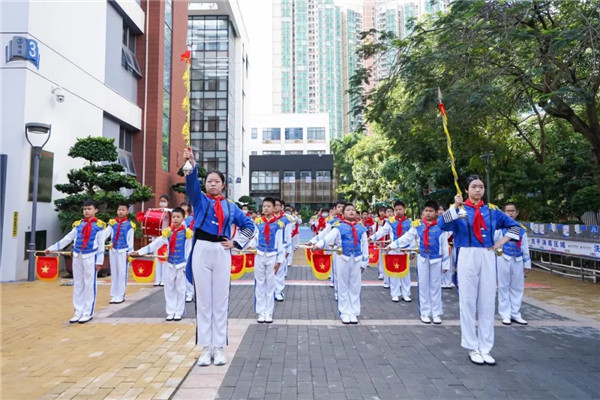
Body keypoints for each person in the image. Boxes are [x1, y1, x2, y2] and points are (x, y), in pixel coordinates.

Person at [437, 175, 520, 366]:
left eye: (481, 187)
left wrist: (500, 242)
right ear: (466, 190)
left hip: (487, 254)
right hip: (466, 253)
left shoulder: (492, 210)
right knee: (467, 301)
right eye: (474, 186)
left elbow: (516, 227)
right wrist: (454, 206)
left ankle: (486, 348)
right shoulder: (459, 210)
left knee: (487, 301)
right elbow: (441, 225)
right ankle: (472, 346)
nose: (478, 190)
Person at [183, 148, 255, 367]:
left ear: (223, 185)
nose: (212, 184)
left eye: (216, 181)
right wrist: (191, 166)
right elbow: (191, 186)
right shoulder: (199, 200)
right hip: (201, 250)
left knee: (221, 301)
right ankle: (206, 347)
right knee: (204, 301)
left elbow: (249, 225)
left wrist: (236, 243)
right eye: (209, 181)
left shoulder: (231, 206)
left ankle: (220, 347)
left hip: (222, 251)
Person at [388, 200, 449, 324]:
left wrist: (446, 263)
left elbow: (444, 245)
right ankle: (425, 312)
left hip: (436, 259)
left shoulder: (440, 227)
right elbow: (406, 238)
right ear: (423, 212)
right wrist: (392, 245)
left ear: (436, 213)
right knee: (423, 285)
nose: (428, 213)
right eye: (426, 211)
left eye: (431, 211)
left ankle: (436, 313)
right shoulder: (417, 226)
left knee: (436, 286)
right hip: (422, 258)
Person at [46, 200, 106, 324]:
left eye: (89, 209)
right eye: (84, 209)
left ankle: (88, 312)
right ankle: (78, 312)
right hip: (77, 255)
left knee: (89, 285)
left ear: (95, 210)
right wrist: (52, 248)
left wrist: (99, 261)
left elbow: (101, 245)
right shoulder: (78, 225)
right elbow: (67, 239)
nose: (86, 211)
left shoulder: (100, 226)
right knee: (78, 284)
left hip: (90, 256)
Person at [131, 207, 193, 321]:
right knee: (169, 288)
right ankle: (170, 311)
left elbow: (189, 251)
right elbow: (155, 244)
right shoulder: (168, 233)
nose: (175, 219)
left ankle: (179, 312)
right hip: (169, 264)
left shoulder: (187, 234)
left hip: (181, 265)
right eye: (174, 217)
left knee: (181, 289)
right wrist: (139, 252)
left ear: (183, 218)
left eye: (178, 217)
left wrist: (187, 266)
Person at [310, 203, 368, 324]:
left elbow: (364, 245)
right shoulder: (338, 226)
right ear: (343, 214)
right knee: (342, 285)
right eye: (348, 210)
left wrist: (364, 262)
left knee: (355, 286)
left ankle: (354, 312)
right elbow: (328, 237)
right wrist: (318, 245)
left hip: (357, 259)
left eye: (353, 210)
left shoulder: (361, 228)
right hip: (343, 258)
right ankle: (345, 312)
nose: (351, 212)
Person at [495, 202, 531, 326]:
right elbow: (495, 244)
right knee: (503, 286)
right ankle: (505, 314)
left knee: (517, 287)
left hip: (518, 259)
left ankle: (515, 313)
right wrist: (498, 257)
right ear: (503, 213)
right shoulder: (499, 228)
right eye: (508, 211)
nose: (510, 213)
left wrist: (527, 263)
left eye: (512, 211)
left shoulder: (521, 229)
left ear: (517, 213)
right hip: (503, 258)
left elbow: (525, 246)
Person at [371, 201, 413, 302]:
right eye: (396, 210)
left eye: (400, 209)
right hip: (393, 250)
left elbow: (413, 237)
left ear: (404, 210)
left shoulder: (410, 222)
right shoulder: (390, 222)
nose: (398, 211)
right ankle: (395, 293)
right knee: (394, 272)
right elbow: (382, 232)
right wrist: (371, 238)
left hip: (405, 250)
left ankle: (406, 293)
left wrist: (413, 251)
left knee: (405, 273)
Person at [253, 197, 285, 324]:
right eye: (264, 206)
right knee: (260, 284)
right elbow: (254, 238)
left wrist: (279, 261)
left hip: (272, 256)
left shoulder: (279, 225)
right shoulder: (257, 223)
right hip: (260, 255)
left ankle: (269, 312)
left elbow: (280, 244)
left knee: (271, 285)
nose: (266, 208)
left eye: (268, 206)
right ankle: (261, 312)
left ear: (273, 208)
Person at [105, 203, 136, 304]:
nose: (121, 212)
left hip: (123, 251)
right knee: (114, 273)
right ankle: (113, 295)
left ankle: (120, 295)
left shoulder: (130, 225)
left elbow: (130, 241)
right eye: (119, 210)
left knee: (122, 273)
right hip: (113, 250)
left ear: (127, 211)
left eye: (123, 210)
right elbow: (105, 235)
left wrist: (130, 253)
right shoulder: (112, 223)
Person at [273, 199, 295, 302]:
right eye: (274, 205)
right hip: (270, 247)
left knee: (280, 271)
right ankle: (270, 291)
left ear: (282, 207)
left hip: (282, 246)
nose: (275, 207)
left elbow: (288, 235)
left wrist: (288, 250)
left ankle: (278, 291)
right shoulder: (267, 218)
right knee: (270, 271)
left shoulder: (286, 219)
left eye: (277, 205)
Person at [154, 194, 171, 287]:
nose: (162, 203)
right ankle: (157, 279)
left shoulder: (169, 212)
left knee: (164, 258)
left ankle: (164, 279)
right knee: (157, 258)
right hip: (157, 236)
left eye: (164, 201)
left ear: (167, 203)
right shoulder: (156, 212)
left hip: (165, 237)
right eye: (161, 201)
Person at [180, 200, 195, 302]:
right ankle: (186, 292)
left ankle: (191, 292)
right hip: (182, 246)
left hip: (192, 245)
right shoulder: (181, 219)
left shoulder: (191, 218)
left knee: (190, 269)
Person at [437, 205, 455, 289]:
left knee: (448, 262)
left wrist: (451, 241)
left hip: (449, 244)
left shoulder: (449, 221)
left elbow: (452, 232)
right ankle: (440, 281)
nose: (440, 211)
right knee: (439, 263)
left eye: (442, 210)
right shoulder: (435, 221)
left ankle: (448, 282)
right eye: (439, 210)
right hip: (439, 244)